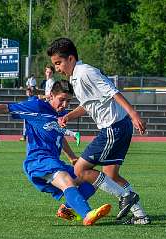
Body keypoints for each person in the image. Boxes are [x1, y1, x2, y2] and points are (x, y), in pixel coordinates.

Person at [0, 80, 111, 226]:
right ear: (50, 96)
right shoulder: (36, 106)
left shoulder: (60, 114)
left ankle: (67, 210)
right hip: (38, 160)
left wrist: (72, 157)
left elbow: (58, 136)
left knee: (91, 179)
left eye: (68, 101)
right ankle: (87, 214)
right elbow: (6, 108)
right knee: (67, 180)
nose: (65, 105)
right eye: (62, 100)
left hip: (53, 161)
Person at [47, 37, 150, 225]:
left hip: (113, 127)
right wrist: (69, 116)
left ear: (71, 59)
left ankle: (125, 197)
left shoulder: (85, 72)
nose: (57, 68)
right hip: (119, 126)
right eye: (54, 65)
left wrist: (133, 113)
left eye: (58, 63)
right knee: (111, 175)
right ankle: (140, 215)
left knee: (80, 169)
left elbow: (112, 91)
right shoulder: (76, 78)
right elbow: (89, 105)